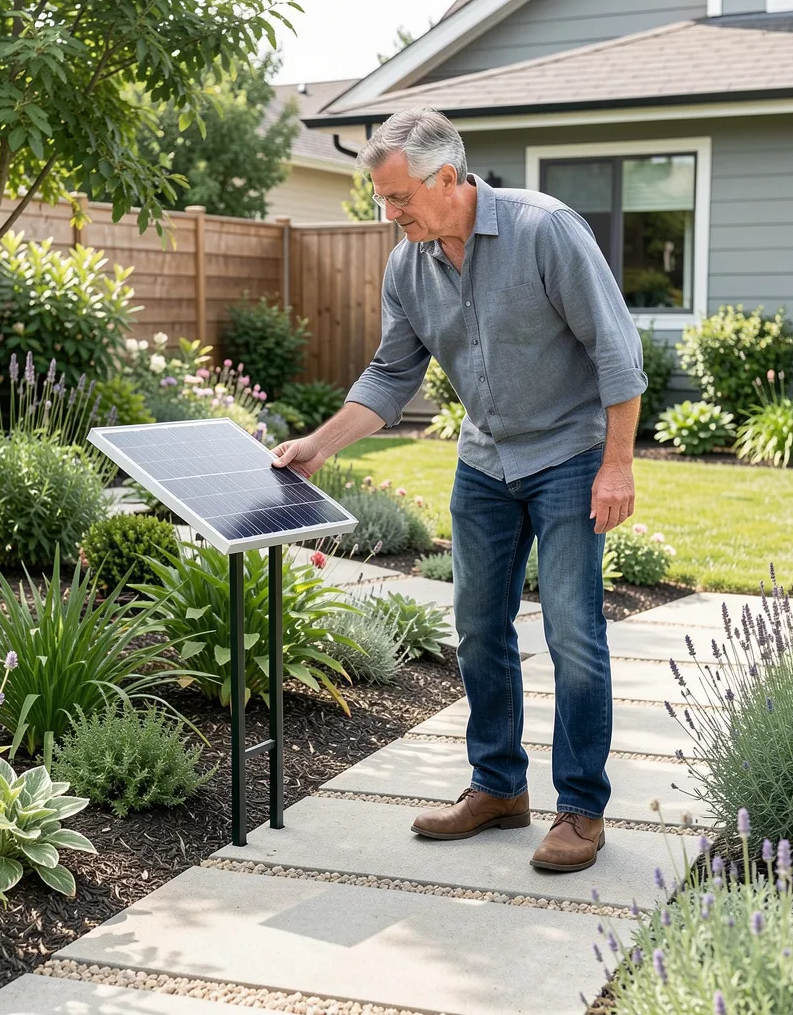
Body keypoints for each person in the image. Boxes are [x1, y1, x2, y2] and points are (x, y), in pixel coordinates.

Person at [272, 108, 647, 873]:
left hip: (571, 453)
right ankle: (499, 788)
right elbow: (389, 376)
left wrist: (618, 465)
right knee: (479, 627)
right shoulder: (409, 264)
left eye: (397, 197)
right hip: (484, 461)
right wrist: (317, 445)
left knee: (574, 634)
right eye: (380, 199)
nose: (388, 213)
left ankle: (580, 809)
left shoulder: (545, 230)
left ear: (447, 178)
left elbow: (616, 348)